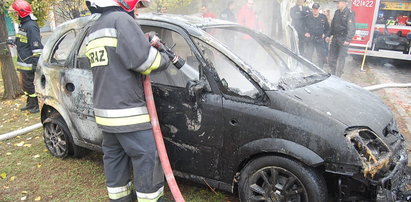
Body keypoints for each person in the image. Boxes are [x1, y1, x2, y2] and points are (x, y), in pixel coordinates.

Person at [85, 0, 171, 201]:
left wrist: (140, 40)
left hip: (106, 114)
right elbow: (145, 61)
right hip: (129, 114)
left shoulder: (94, 28)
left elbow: (114, 60)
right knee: (146, 158)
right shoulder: (122, 20)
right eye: (136, 8)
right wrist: (164, 57)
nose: (137, 14)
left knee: (114, 160)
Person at [11, 0, 43, 114]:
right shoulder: (24, 25)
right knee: (25, 85)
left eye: (16, 12)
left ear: (22, 12)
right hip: (23, 61)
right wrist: (14, 41)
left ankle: (36, 105)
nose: (15, 15)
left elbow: (36, 45)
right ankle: (30, 103)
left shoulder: (31, 26)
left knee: (30, 85)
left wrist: (35, 63)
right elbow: (22, 41)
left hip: (29, 62)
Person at [326, 0, 355, 77]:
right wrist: (328, 35)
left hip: (343, 39)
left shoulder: (349, 13)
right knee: (332, 58)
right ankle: (332, 74)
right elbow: (332, 25)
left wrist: (348, 40)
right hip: (335, 38)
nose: (337, 4)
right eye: (337, 3)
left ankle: (338, 76)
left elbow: (351, 28)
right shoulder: (337, 12)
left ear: (344, 3)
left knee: (341, 59)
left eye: (338, 3)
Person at [304, 3, 329, 69]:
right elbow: (304, 27)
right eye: (314, 9)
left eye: (316, 9)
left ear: (319, 9)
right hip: (311, 39)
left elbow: (328, 29)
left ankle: (320, 69)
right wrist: (305, 33)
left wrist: (326, 35)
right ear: (312, 9)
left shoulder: (323, 17)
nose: (315, 10)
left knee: (321, 56)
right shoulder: (308, 17)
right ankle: (309, 69)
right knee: (309, 55)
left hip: (320, 39)